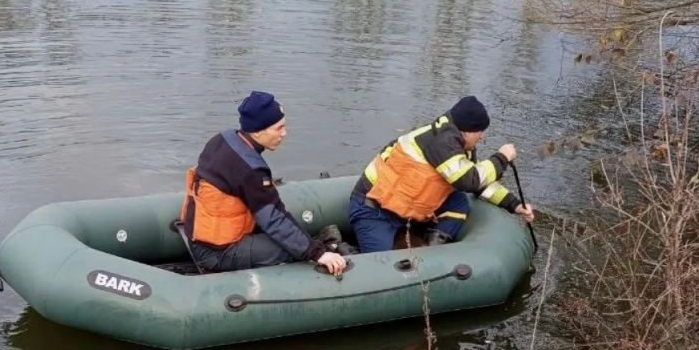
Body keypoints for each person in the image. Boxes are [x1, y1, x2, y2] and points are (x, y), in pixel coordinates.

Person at [175, 91, 348, 275]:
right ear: (257, 131)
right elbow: (273, 219)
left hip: (198, 235)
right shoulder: (251, 171)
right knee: (290, 249)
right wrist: (318, 253)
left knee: (292, 237)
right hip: (217, 253)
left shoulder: (222, 139)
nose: (284, 134)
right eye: (278, 128)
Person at [347, 95, 535, 253]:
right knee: (381, 268)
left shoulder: (458, 144)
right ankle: (342, 248)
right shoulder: (441, 143)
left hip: (405, 206)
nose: (482, 136)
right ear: (467, 132)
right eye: (480, 132)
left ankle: (432, 252)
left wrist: (515, 205)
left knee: (459, 202)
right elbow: (468, 181)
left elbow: (479, 183)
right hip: (374, 208)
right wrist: (502, 158)